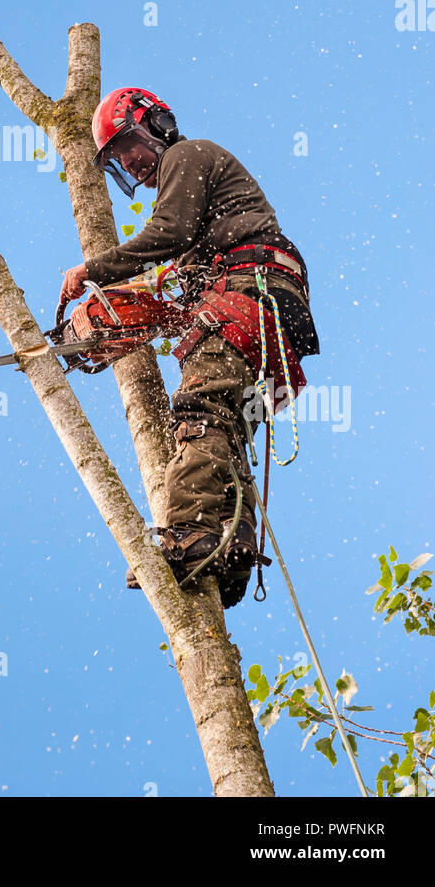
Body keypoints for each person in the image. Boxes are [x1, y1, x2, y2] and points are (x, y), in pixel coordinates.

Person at [60, 88, 320, 607]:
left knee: (200, 412)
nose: (132, 161)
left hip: (249, 297)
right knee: (225, 426)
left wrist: (93, 271)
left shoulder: (188, 154)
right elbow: (178, 282)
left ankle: (185, 532)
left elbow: (167, 233)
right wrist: (122, 318)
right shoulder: (209, 217)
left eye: (130, 145)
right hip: (264, 313)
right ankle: (230, 546)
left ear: (155, 122)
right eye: (118, 159)